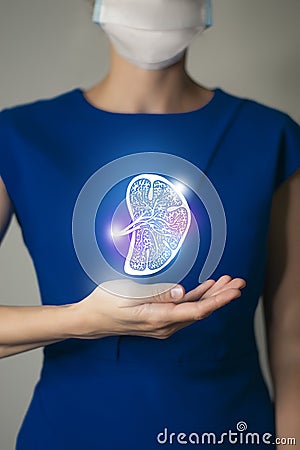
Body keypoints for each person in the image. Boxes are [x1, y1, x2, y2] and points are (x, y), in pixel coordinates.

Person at [0, 1, 299, 449]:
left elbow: (292, 331)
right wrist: (80, 320)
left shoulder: (269, 136)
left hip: (227, 430)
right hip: (73, 431)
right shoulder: (18, 136)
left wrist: (291, 444)